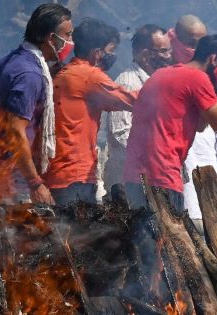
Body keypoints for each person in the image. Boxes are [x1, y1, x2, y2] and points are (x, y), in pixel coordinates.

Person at [0, 3, 73, 205]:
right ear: (51, 38)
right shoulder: (29, 74)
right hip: (8, 177)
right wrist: (35, 183)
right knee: (15, 235)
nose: (70, 42)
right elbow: (16, 132)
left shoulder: (13, 60)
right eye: (67, 35)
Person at [123, 34, 217, 212]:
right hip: (162, 177)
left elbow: (201, 125)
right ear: (214, 59)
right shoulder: (196, 79)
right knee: (165, 239)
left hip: (135, 177)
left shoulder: (162, 74)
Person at [42, 18, 136, 206]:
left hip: (57, 173)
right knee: (78, 233)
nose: (113, 56)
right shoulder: (89, 76)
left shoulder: (66, 73)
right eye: (110, 50)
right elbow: (133, 101)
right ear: (97, 52)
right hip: (75, 176)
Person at [170, 15, 217, 234]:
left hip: (208, 170)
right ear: (174, 38)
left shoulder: (213, 81)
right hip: (176, 170)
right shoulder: (166, 75)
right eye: (190, 42)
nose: (194, 48)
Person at [103, 24, 172, 199]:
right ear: (143, 53)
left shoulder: (159, 81)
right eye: (162, 51)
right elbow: (121, 134)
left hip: (152, 181)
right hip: (128, 186)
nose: (168, 56)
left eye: (168, 50)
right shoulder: (127, 83)